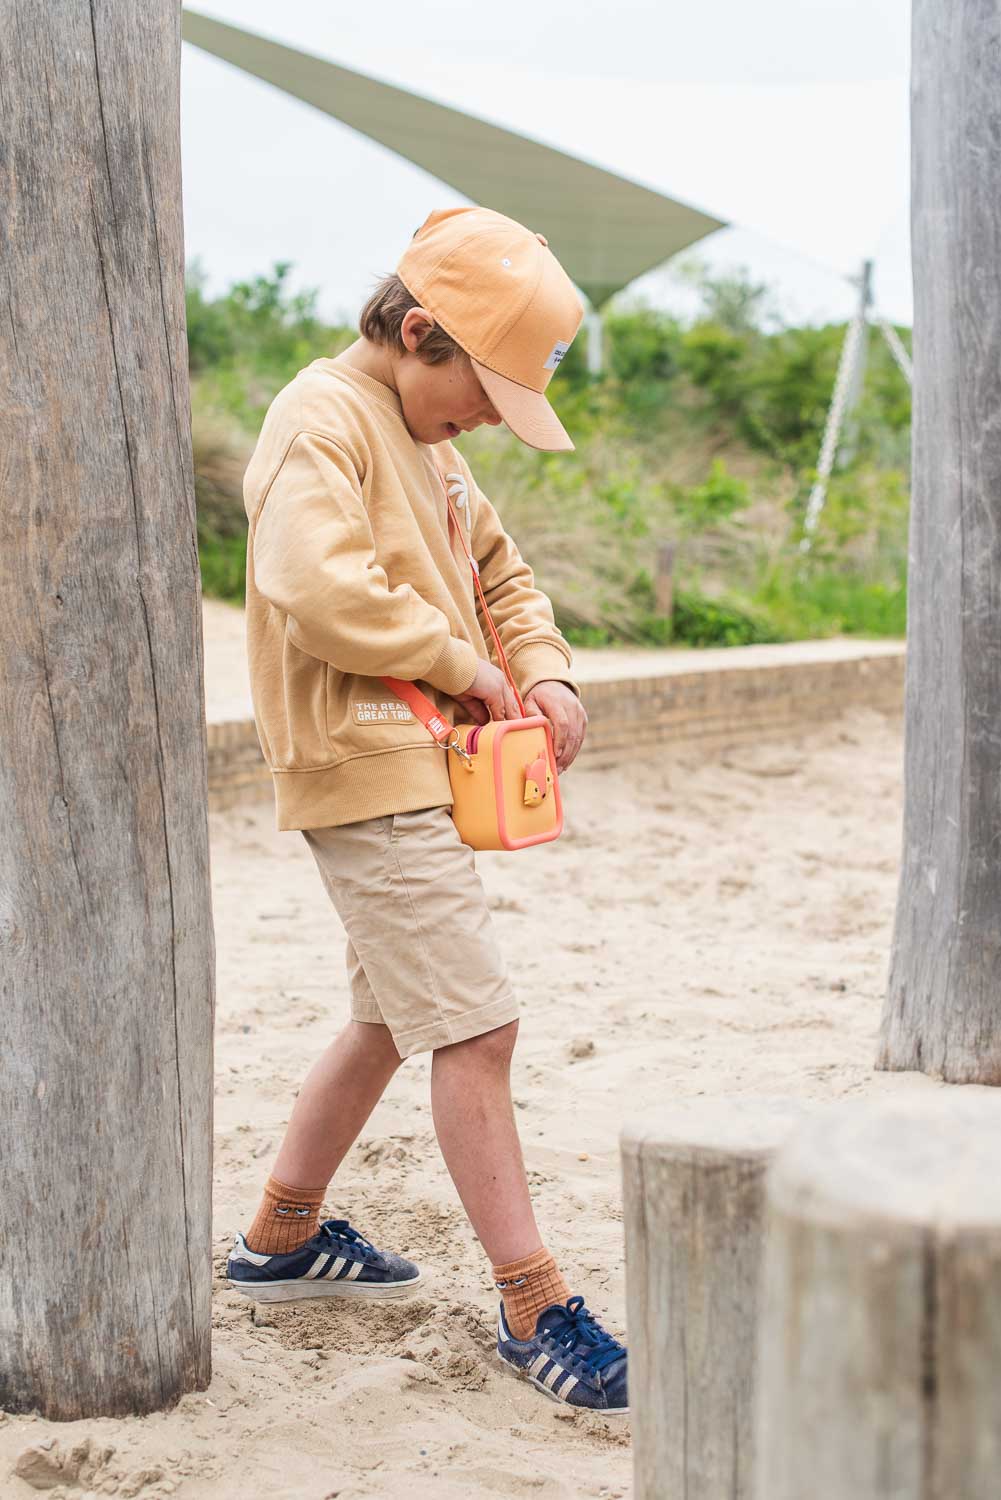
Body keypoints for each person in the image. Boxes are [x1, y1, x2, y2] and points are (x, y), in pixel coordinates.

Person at [225, 205, 628, 1414]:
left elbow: (500, 572)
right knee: (476, 1029)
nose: (489, 420)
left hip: (420, 761)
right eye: (482, 391)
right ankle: (530, 1302)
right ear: (416, 333)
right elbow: (309, 583)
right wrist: (463, 667)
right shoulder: (322, 419)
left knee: (395, 1017)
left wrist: (540, 665)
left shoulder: (432, 443)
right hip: (364, 751)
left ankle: (282, 1238)